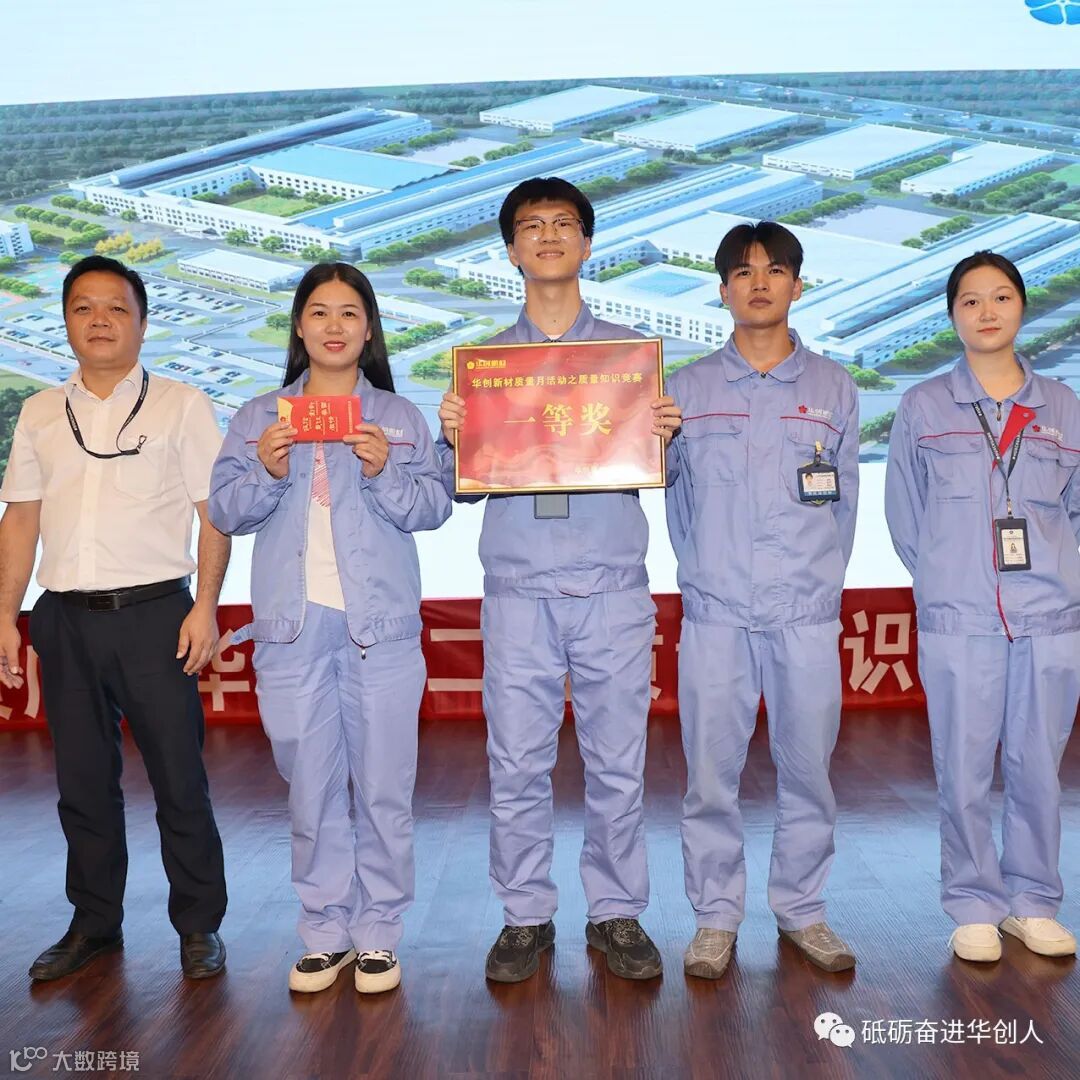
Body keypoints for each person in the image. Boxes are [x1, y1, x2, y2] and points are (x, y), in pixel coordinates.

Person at [438, 177, 681, 983]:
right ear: (511, 249)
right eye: (532, 226)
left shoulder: (627, 358)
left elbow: (660, 471)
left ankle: (616, 912)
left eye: (564, 223)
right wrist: (454, 440)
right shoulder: (484, 368)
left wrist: (664, 435)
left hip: (612, 588)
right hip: (520, 592)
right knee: (515, 764)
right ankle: (524, 917)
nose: (548, 236)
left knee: (619, 763)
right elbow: (459, 490)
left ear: (587, 243)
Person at [209, 263, 450, 994]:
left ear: (369, 328)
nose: (335, 326)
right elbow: (225, 512)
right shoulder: (259, 416)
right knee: (309, 789)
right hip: (291, 630)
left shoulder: (399, 417)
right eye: (319, 312)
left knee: (383, 788)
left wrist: (384, 472)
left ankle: (378, 934)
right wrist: (264, 468)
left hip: (380, 629)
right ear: (299, 326)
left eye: (350, 312)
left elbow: (434, 507)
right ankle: (324, 932)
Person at [0, 255, 230, 981]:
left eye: (116, 307)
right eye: (83, 307)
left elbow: (214, 514)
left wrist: (205, 606)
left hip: (154, 616)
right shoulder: (41, 411)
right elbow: (21, 518)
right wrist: (5, 614)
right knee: (82, 784)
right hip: (63, 618)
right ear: (65, 320)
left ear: (143, 322)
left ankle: (198, 924)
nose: (99, 320)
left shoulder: (182, 404)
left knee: (178, 780)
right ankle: (94, 923)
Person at [665, 222, 859, 979]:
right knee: (710, 778)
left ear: (797, 286)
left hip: (805, 616)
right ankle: (715, 917)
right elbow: (673, 495)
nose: (758, 283)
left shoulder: (834, 387)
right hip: (716, 614)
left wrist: (818, 585)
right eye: (742, 272)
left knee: (809, 771)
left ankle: (803, 909)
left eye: (774, 270)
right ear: (722, 291)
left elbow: (844, 507)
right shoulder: (685, 390)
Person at [885, 250, 1080, 963]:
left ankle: (1033, 900)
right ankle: (972, 901)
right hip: (959, 617)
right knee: (962, 765)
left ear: (1022, 307)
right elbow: (906, 515)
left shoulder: (1063, 405)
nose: (987, 311)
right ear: (952, 315)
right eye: (970, 301)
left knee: (1038, 765)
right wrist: (946, 578)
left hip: (1050, 618)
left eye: (1001, 297)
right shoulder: (923, 405)